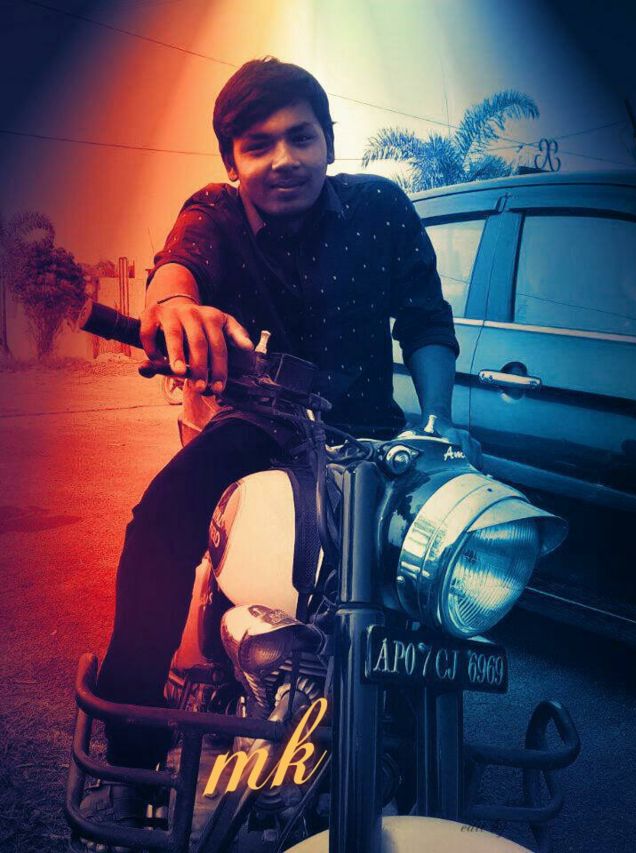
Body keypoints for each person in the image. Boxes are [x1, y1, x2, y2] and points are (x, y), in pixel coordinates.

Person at [76, 57, 480, 841]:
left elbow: (426, 321)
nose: (283, 158)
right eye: (257, 145)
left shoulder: (382, 208)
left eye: (301, 136)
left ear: (329, 140)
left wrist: (437, 422)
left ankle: (424, 748)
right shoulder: (214, 213)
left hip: (372, 433)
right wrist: (174, 307)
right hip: (257, 425)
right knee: (159, 518)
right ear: (232, 162)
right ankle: (133, 757)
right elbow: (175, 272)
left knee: (437, 562)